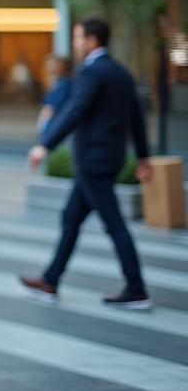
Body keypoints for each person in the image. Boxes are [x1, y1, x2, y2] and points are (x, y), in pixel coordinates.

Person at [22, 17, 153, 310]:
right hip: (108, 159)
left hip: (93, 161)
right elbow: (137, 119)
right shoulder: (121, 73)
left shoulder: (92, 73)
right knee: (71, 218)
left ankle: (136, 288)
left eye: (78, 38)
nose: (75, 43)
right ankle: (50, 281)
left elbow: (75, 111)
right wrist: (143, 157)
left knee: (114, 224)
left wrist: (45, 145)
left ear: (92, 41)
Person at [38, 53, 73, 131]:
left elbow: (54, 107)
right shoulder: (56, 82)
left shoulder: (65, 84)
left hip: (56, 123)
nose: (49, 67)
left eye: (53, 64)